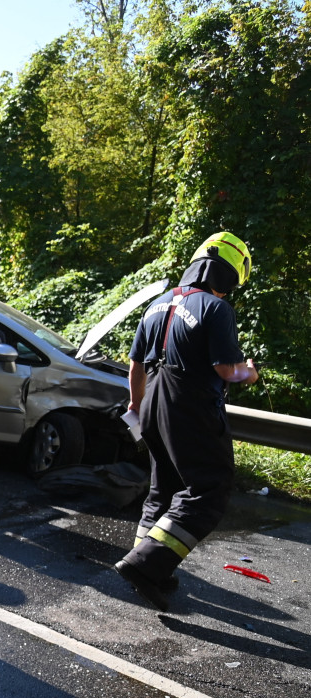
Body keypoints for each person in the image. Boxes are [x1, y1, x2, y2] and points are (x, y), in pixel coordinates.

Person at [114, 232, 258, 611]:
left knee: (164, 488)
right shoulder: (216, 309)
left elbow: (135, 366)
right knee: (209, 489)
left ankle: (150, 564)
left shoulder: (158, 304)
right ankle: (146, 565)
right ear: (230, 275)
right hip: (191, 406)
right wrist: (251, 373)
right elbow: (228, 370)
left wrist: (139, 407)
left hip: (152, 404)